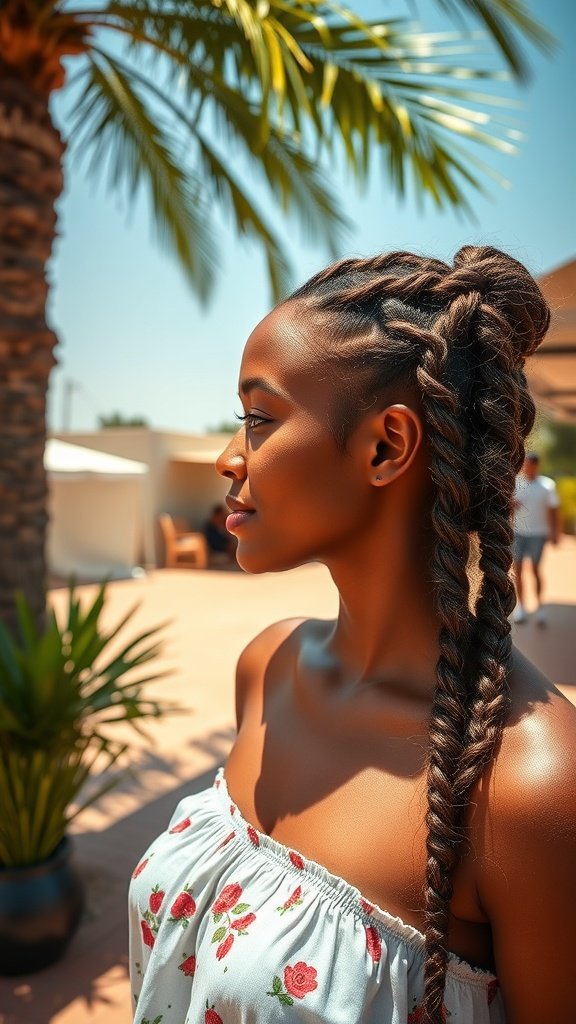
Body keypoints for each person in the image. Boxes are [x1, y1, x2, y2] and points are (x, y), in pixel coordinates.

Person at [129, 246, 576, 1024]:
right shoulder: (267, 668)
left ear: (385, 446)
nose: (228, 457)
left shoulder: (527, 786)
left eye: (260, 419)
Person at [512, 452, 560, 625]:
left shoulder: (547, 485)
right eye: (525, 465)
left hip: (539, 533)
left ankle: (540, 607)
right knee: (517, 570)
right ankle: (522, 607)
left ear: (536, 466)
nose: (527, 468)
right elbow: (505, 506)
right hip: (518, 532)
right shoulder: (516, 483)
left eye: (530, 465)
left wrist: (556, 533)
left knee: (535, 569)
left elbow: (554, 510)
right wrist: (511, 506)